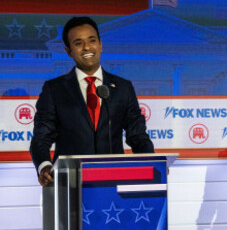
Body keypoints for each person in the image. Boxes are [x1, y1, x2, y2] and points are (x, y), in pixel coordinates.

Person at [30, 16, 154, 186]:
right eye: (78, 43)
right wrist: (44, 166)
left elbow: (138, 135)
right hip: (70, 183)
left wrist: (152, 163)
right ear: (68, 51)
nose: (87, 47)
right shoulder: (54, 90)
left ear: (100, 45)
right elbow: (41, 138)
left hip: (113, 183)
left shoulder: (123, 88)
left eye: (92, 40)